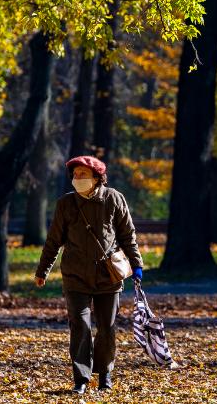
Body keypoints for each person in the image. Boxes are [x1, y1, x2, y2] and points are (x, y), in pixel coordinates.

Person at [34, 156, 143, 395]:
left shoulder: (114, 199)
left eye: (83, 174)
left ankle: (105, 374)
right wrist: (43, 270)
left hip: (107, 276)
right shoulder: (66, 204)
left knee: (107, 327)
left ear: (97, 177)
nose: (78, 179)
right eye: (75, 174)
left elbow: (127, 236)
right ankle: (81, 378)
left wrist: (137, 266)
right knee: (80, 326)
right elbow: (54, 240)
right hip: (75, 277)